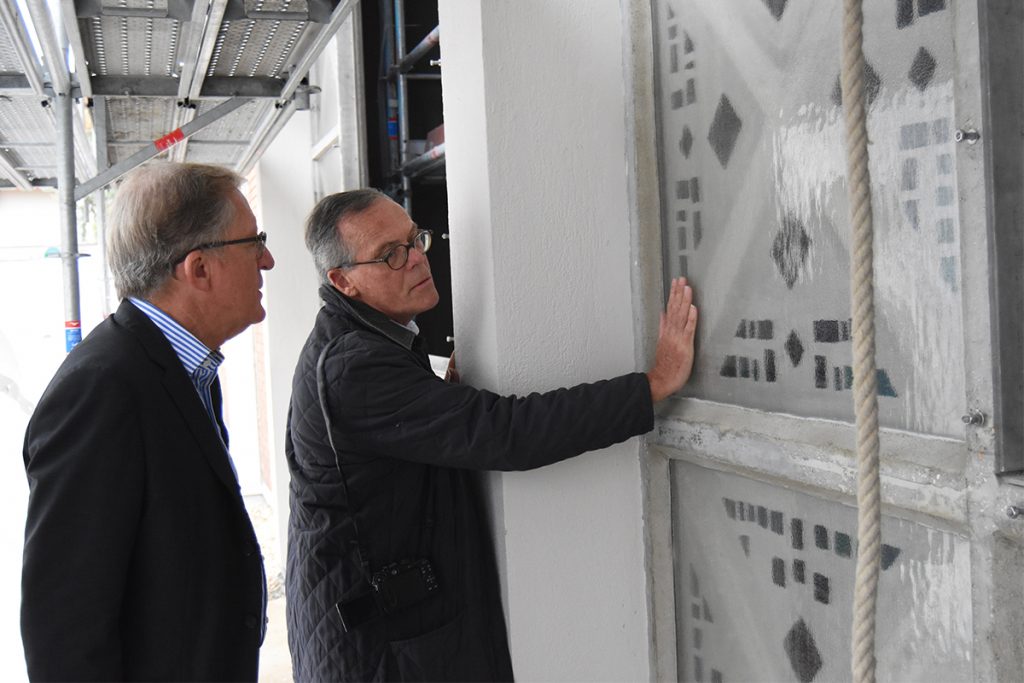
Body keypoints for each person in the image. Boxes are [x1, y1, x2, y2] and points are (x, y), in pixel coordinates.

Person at [286, 188, 698, 681]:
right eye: (391, 255)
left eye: (415, 240)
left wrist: (433, 400)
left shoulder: (361, 342)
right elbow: (508, 433)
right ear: (343, 281)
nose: (417, 259)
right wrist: (652, 385)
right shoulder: (354, 365)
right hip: (380, 653)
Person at [21, 162, 274, 681]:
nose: (268, 260)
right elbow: (65, 630)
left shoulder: (185, 366)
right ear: (199, 269)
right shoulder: (101, 390)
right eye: (254, 242)